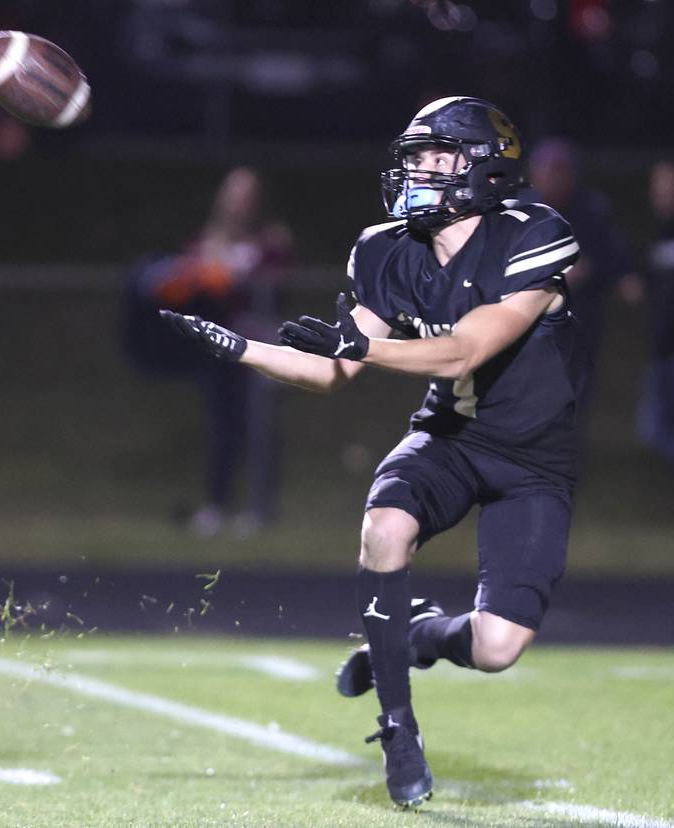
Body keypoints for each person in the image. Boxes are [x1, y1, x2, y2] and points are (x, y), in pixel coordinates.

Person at [161, 97, 585, 808]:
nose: (418, 170)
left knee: (497, 649)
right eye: (413, 156)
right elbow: (332, 369)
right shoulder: (387, 249)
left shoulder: (535, 236)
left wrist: (364, 344)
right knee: (383, 528)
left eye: (436, 157)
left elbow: (466, 349)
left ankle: (417, 632)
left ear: (484, 167)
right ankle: (398, 727)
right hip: (449, 438)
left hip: (533, 461)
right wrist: (243, 349)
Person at [128, 167, 291, 535]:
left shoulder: (270, 239)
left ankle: (260, 510)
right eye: (233, 194)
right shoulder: (207, 241)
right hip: (219, 348)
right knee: (222, 427)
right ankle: (218, 505)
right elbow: (189, 286)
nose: (239, 203)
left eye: (247, 195)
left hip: (260, 347)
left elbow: (270, 282)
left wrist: (232, 278)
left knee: (260, 429)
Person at [526, 138, 634, 450]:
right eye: (547, 171)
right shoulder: (524, 211)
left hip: (580, 320)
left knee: (574, 386)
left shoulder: (591, 209)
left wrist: (605, 273)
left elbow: (611, 253)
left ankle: (564, 448)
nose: (553, 179)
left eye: (560, 172)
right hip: (532, 321)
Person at [637, 160, 674, 469]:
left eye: (667, 186)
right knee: (652, 430)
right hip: (661, 347)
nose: (661, 194)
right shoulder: (657, 232)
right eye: (657, 187)